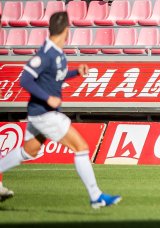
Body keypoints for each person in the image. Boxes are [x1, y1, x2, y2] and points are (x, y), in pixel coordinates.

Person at [0, 11, 121, 209]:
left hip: (39, 113)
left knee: (29, 151)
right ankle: (96, 196)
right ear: (66, 30)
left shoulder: (57, 53)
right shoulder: (46, 54)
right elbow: (25, 79)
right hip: (45, 114)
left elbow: (56, 77)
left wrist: (76, 73)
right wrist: (48, 98)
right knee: (81, 148)